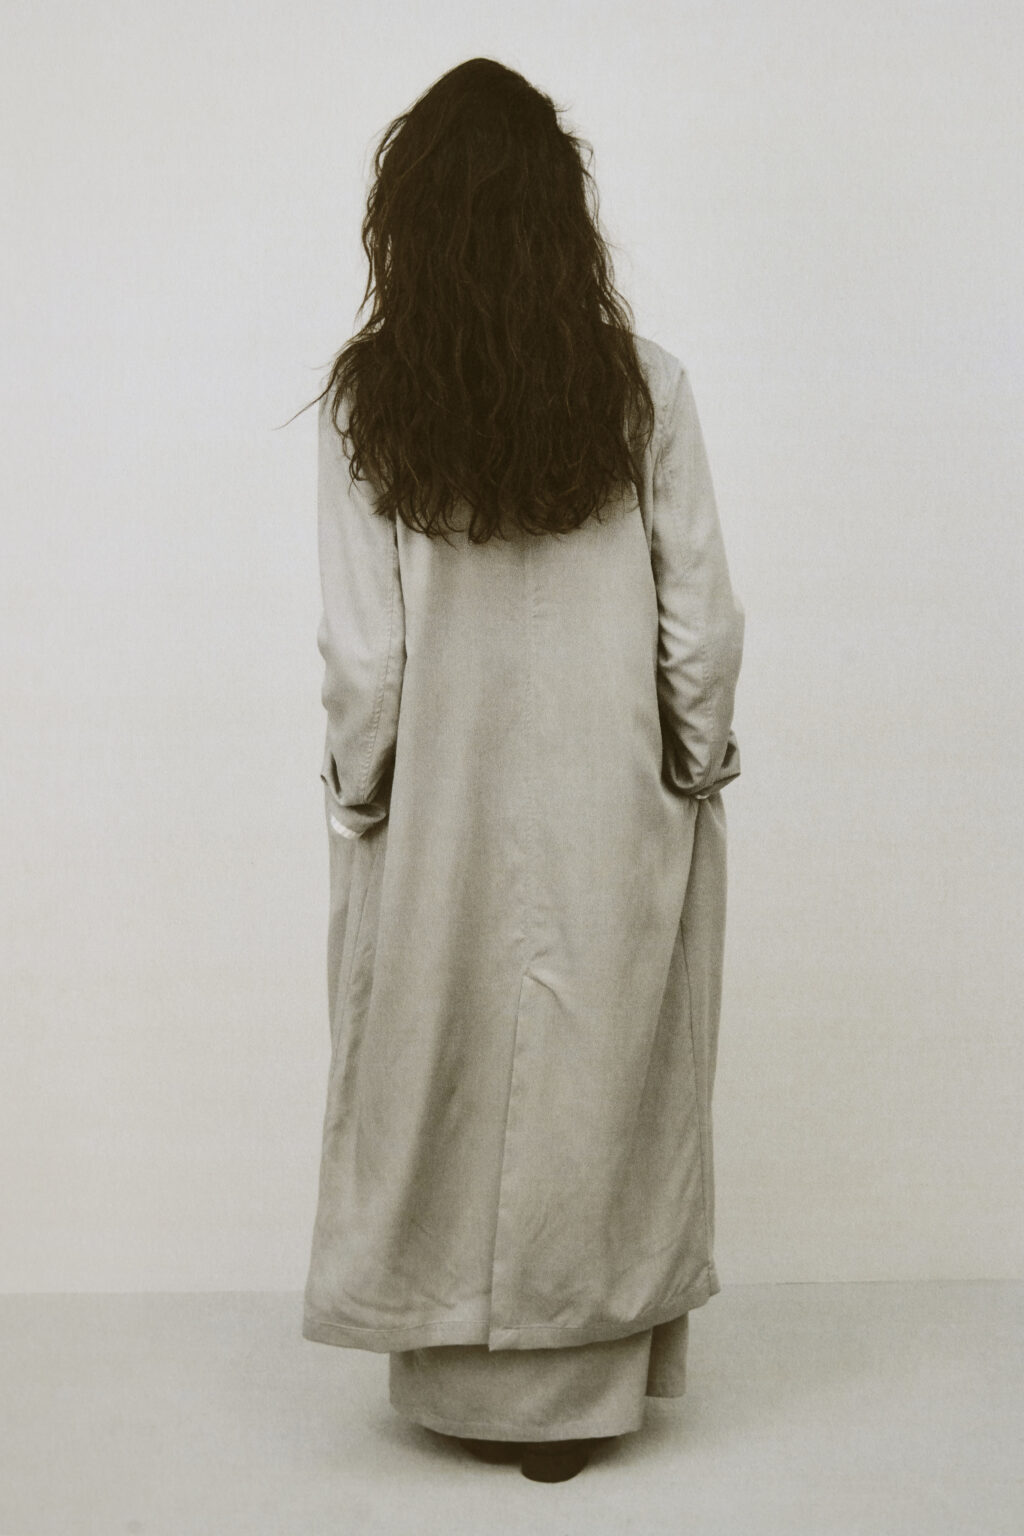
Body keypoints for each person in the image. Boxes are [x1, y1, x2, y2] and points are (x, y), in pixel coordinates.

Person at [297, 56, 745, 1484]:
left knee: (431, 1067)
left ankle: (457, 1384)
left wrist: (363, 795)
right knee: (600, 1079)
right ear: (564, 216)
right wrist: (696, 767)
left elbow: (364, 658)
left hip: (439, 812)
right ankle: (580, 1393)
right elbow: (702, 624)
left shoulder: (372, 404)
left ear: (409, 221)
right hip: (615, 800)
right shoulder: (644, 388)